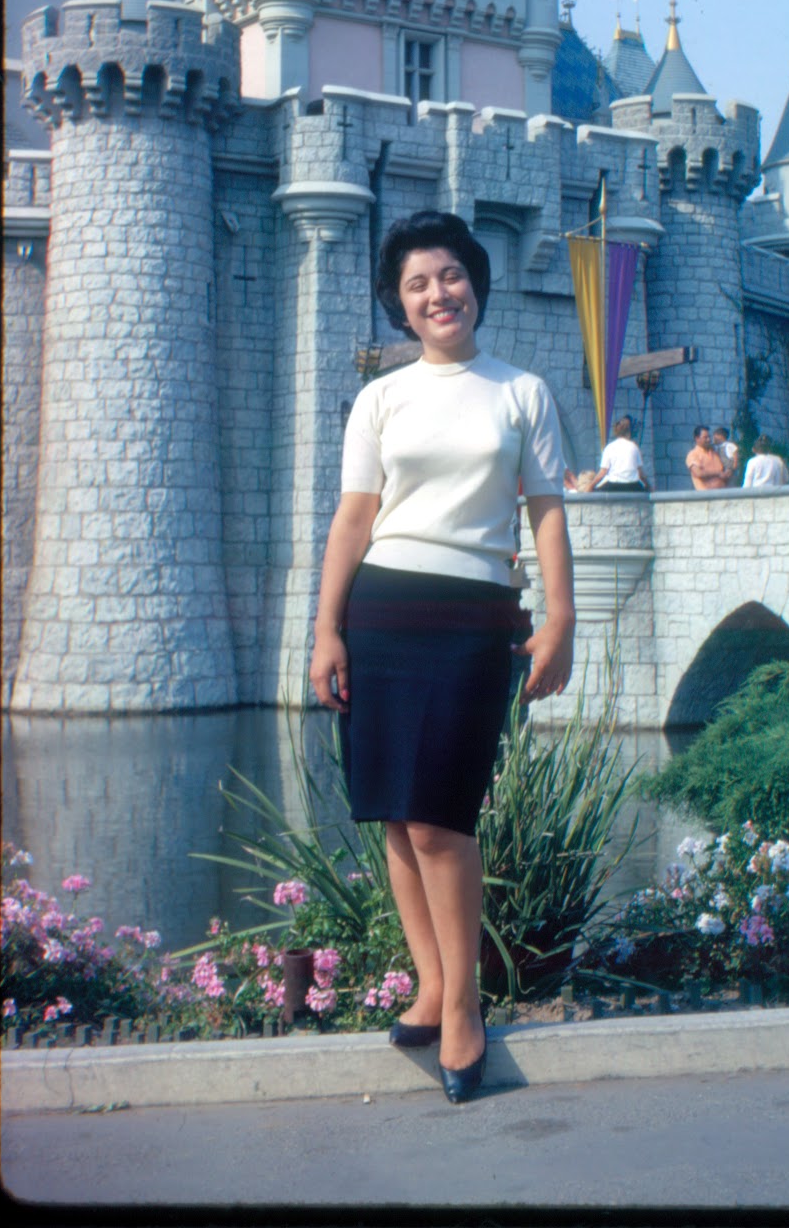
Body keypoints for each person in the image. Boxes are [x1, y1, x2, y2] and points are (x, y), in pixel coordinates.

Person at [309, 212, 575, 1105]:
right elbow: (354, 517)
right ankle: (429, 985)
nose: (437, 294)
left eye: (450, 275)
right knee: (394, 813)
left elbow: (545, 512)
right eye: (417, 283)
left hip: (473, 614)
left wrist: (560, 618)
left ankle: (464, 1004)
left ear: (475, 284)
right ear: (399, 303)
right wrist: (326, 629)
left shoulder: (521, 392)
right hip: (380, 609)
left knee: (440, 819)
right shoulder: (380, 398)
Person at [590, 415, 648, 492]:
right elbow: (640, 473)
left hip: (614, 485)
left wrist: (590, 486)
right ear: (629, 432)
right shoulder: (634, 447)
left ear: (616, 433)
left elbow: (603, 472)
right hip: (632, 485)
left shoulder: (610, 447)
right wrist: (649, 487)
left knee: (597, 491)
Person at [685, 424, 730, 490]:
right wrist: (718, 473)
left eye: (709, 437)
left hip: (722, 492)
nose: (708, 439)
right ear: (697, 438)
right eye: (705, 437)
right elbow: (698, 473)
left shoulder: (715, 452)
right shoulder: (693, 455)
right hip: (706, 494)